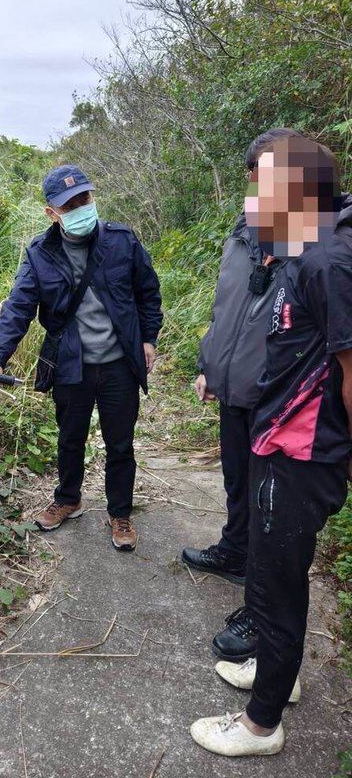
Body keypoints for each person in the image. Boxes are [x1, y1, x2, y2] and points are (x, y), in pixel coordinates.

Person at [191, 137, 352, 756]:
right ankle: (274, 675)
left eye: (262, 186)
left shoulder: (327, 262)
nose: (251, 200)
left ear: (296, 191)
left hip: (303, 447)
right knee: (267, 569)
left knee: (279, 581)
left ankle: (261, 725)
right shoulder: (303, 249)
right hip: (277, 433)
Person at [0, 164, 163, 551]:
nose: (81, 206)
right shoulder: (39, 254)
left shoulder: (122, 241)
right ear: (52, 213)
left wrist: (148, 339)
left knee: (120, 443)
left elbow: (148, 292)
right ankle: (69, 499)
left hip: (119, 363)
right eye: (70, 204)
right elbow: (18, 307)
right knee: (70, 438)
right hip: (71, 362)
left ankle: (120, 513)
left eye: (85, 197)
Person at [182, 128, 304, 662]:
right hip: (234, 387)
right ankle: (234, 553)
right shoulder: (243, 233)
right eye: (255, 176)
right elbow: (226, 310)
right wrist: (211, 366)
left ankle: (262, 610)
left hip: (278, 402)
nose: (257, 187)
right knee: (236, 482)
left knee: (270, 507)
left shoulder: (311, 247)